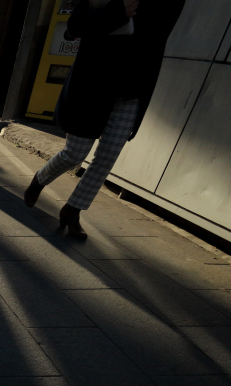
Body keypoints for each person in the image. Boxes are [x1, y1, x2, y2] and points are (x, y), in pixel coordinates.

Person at [23, 0, 186, 239]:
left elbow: (158, 33)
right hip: (93, 83)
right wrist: (117, 13)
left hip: (133, 87)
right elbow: (76, 25)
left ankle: (73, 210)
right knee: (75, 153)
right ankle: (40, 179)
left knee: (108, 156)